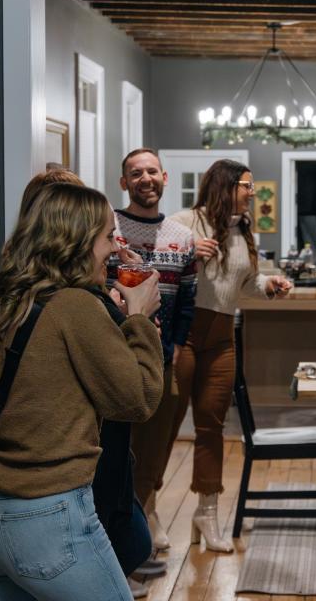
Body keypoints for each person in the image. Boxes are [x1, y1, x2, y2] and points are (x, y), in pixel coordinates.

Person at [0, 183, 164, 601]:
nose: (113, 247)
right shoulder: (77, 306)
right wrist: (140, 319)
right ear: (76, 240)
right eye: (108, 236)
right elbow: (137, 400)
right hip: (48, 518)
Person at [171, 159, 292, 552]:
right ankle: (148, 510)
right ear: (224, 186)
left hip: (223, 337)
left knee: (212, 426)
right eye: (246, 185)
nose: (252, 192)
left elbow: (243, 283)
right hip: (183, 335)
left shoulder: (242, 230)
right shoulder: (184, 223)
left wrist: (268, 284)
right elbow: (159, 268)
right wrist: (189, 255)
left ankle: (207, 514)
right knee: (165, 424)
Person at [109, 148, 197, 583]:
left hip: (161, 360)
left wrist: (179, 346)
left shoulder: (182, 236)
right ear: (124, 182)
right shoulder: (108, 230)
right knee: (113, 453)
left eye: (151, 171)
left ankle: (136, 537)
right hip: (110, 357)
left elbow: (189, 300)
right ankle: (120, 552)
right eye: (135, 173)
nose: (145, 178)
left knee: (152, 451)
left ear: (164, 177)